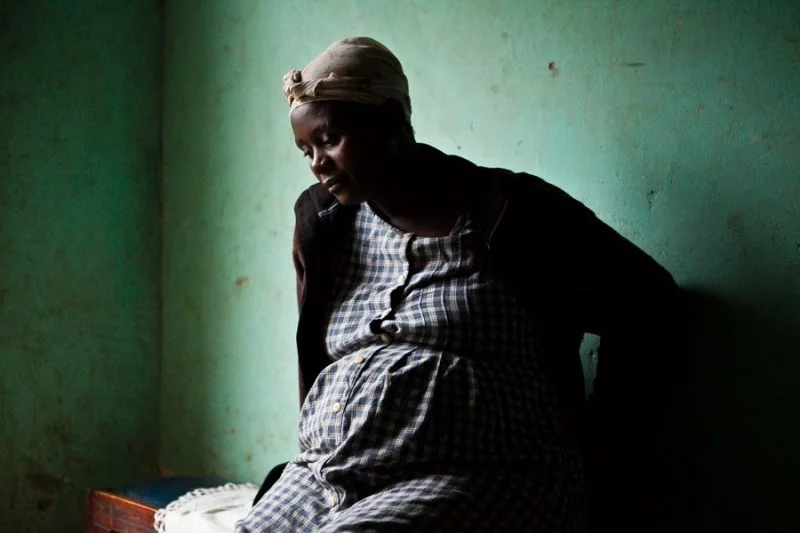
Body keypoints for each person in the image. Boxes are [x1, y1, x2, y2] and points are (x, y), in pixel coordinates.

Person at [237, 37, 682, 532]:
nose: (317, 163)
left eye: (330, 139)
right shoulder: (325, 223)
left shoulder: (514, 211)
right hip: (329, 472)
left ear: (390, 120)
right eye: (306, 150)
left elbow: (651, 303)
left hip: (482, 474)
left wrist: (605, 451)